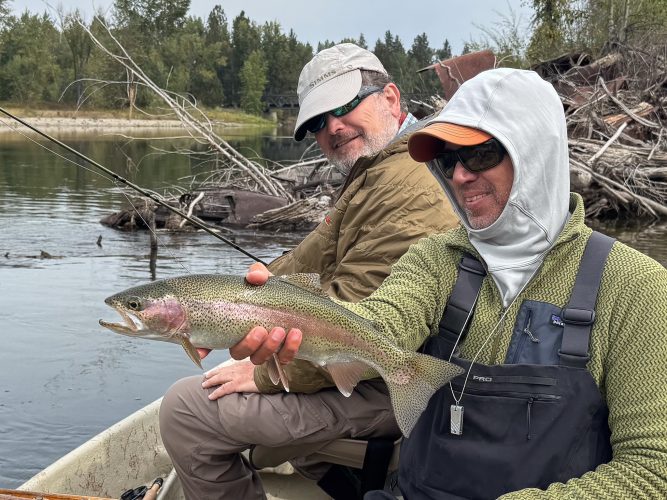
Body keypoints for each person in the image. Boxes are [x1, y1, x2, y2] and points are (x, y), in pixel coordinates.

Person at [240, 68, 667, 499]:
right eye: (447, 160)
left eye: (479, 154)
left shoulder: (635, 288)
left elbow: (652, 472)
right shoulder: (437, 258)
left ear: (536, 150)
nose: (460, 176)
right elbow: (382, 323)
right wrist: (292, 317)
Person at [159, 43, 459, 499]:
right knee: (230, 371)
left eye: (344, 107)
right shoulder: (376, 172)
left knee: (185, 410)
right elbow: (304, 262)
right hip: (364, 362)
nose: (333, 127)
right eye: (318, 121)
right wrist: (231, 301)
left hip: (392, 374)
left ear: (392, 98)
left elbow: (358, 318)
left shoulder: (414, 186)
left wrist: (263, 375)